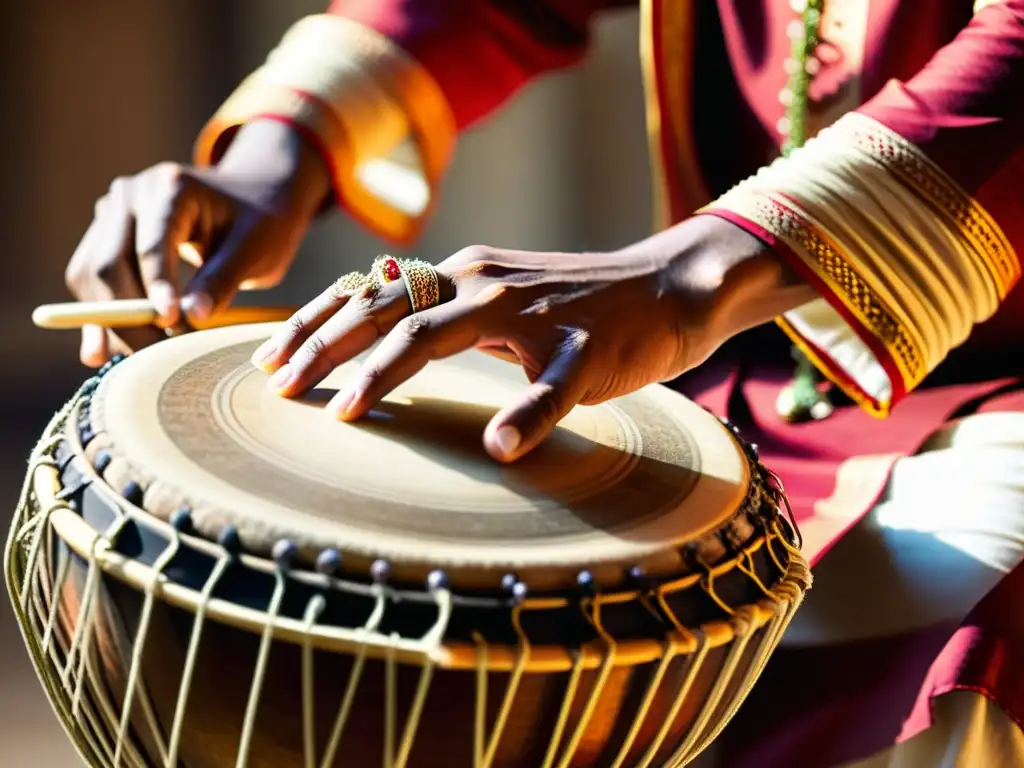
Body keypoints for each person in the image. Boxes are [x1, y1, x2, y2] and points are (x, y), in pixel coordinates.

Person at [62, 1, 1024, 766]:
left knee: (926, 655)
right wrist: (280, 150)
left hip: (996, 369)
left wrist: (680, 275)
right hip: (746, 354)